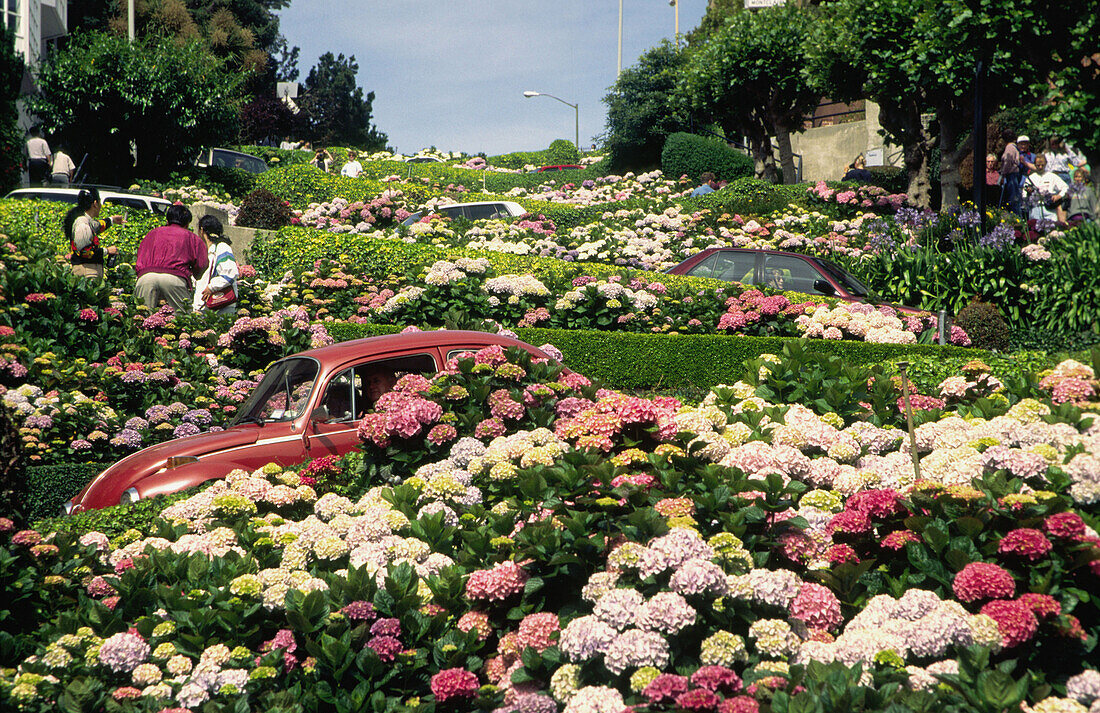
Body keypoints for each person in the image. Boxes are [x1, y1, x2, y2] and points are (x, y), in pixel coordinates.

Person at [134, 204, 208, 313]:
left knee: (142, 319)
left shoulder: (152, 233)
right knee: (182, 320)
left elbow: (140, 259)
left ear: (167, 220)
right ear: (187, 224)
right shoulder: (192, 237)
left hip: (146, 277)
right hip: (174, 279)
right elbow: (202, 264)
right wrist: (195, 274)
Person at [64, 188, 124, 280]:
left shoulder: (85, 220)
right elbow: (84, 251)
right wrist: (107, 251)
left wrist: (112, 220)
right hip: (87, 271)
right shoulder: (82, 223)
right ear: (95, 204)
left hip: (89, 270)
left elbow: (97, 226)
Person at [191, 215, 239, 314]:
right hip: (206, 306)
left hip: (221, 304)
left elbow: (230, 273)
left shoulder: (222, 247)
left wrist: (211, 287)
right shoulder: (206, 250)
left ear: (201, 230)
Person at [1023, 153, 1069, 223]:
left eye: (1042, 165)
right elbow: (1024, 194)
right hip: (1035, 208)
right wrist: (1028, 193)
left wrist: (1059, 196)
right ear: (1034, 164)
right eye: (1038, 165)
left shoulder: (1052, 176)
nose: (1040, 167)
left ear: (1046, 164)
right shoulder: (1030, 178)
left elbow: (1065, 187)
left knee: (1052, 231)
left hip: (1049, 209)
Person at [999, 129, 1024, 215]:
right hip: (1015, 174)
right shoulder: (1015, 147)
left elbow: (1007, 161)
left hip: (1011, 174)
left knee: (1013, 198)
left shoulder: (1009, 147)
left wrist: (1003, 173)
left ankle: (1015, 216)